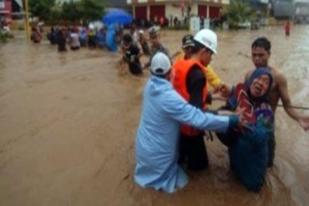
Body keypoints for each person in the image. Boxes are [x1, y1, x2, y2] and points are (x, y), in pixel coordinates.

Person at [134, 52, 241, 193]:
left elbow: (182, 101)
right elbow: (198, 118)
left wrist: (212, 97)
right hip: (159, 158)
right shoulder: (168, 97)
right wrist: (232, 120)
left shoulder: (149, 86)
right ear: (170, 72)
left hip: (143, 151)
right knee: (183, 185)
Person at [246, 37, 309, 167]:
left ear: (269, 54)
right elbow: (244, 99)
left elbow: (287, 105)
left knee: (268, 164)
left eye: (261, 55)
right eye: (254, 55)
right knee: (249, 158)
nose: (257, 59)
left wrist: (299, 118)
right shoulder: (249, 74)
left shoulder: (278, 77)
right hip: (249, 124)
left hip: (267, 125)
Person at [172, 29, 227, 171]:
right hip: (191, 132)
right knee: (200, 170)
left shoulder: (179, 65)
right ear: (204, 51)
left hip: (177, 127)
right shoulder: (198, 74)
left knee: (180, 163)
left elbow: (185, 93)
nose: (211, 59)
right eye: (212, 55)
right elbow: (196, 115)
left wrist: (212, 96)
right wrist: (227, 117)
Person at [217, 68, 274, 192]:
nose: (260, 83)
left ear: (267, 89)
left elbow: (262, 136)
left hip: (253, 162)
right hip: (235, 154)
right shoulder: (237, 97)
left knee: (252, 190)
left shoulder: (266, 110)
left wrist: (241, 121)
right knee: (232, 180)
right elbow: (220, 118)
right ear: (251, 80)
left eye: (265, 82)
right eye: (258, 78)